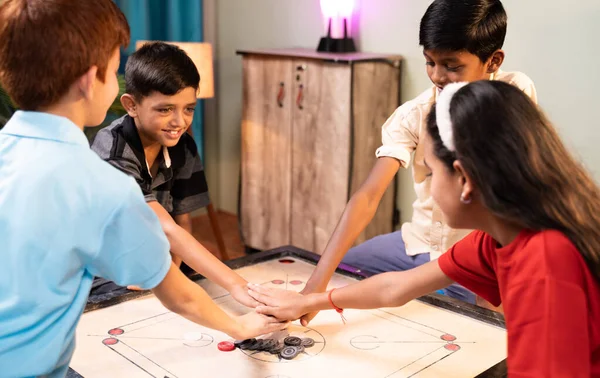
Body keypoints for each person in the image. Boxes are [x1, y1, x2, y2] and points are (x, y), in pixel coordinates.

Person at [0, 1, 286, 376]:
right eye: (115, 70)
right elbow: (179, 295)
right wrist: (241, 326)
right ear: (91, 80)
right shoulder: (103, 184)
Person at [248, 80, 600, 377]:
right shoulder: (495, 240)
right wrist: (310, 301)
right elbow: (397, 287)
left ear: (464, 179)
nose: (428, 187)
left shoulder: (547, 266)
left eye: (431, 173)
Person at [300, 0, 537, 319]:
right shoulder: (414, 114)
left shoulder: (513, 93)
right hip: (418, 242)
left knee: (488, 324)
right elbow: (368, 196)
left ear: (492, 60)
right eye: (429, 62)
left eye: (452, 66)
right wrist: (315, 287)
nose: (437, 76)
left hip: (481, 254)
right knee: (342, 272)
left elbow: (510, 201)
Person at [91, 42, 257, 306]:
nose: (179, 122)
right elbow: (166, 229)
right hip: (103, 272)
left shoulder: (184, 145)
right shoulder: (111, 151)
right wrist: (238, 286)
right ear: (131, 105)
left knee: (203, 298)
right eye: (165, 109)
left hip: (156, 260)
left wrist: (175, 268)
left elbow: (182, 222)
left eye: (188, 109)